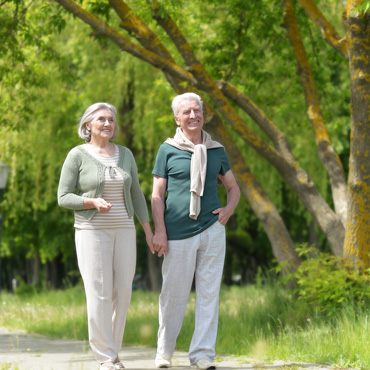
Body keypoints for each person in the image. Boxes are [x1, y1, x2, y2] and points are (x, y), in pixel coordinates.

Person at [58, 102, 154, 370]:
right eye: (101, 119)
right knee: (99, 293)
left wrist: (148, 231)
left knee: (122, 293)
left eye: (111, 119)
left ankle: (113, 352)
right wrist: (92, 203)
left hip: (124, 229)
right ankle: (106, 358)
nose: (108, 123)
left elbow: (136, 194)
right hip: (92, 232)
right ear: (88, 125)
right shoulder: (77, 155)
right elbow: (63, 197)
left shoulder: (125, 154)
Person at [151, 92, 240, 369]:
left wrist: (228, 210)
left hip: (212, 230)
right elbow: (157, 194)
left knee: (209, 294)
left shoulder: (217, 150)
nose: (193, 116)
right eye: (186, 112)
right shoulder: (167, 149)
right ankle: (164, 353)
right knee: (173, 295)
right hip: (177, 232)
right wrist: (160, 231)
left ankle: (202, 355)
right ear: (177, 118)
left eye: (196, 111)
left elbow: (233, 187)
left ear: (203, 114)